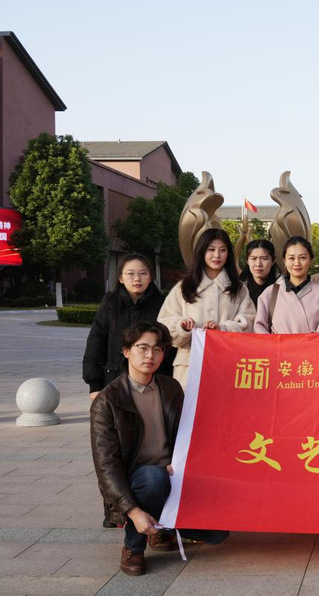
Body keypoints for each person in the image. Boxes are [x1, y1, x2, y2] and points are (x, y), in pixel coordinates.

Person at [90, 321, 228, 576]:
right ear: (126, 351)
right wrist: (133, 511)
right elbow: (106, 466)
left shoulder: (170, 388)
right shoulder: (107, 402)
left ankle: (162, 526)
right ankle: (134, 547)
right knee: (153, 477)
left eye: (157, 349)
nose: (150, 355)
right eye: (142, 348)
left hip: (173, 472)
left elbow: (190, 434)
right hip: (136, 478)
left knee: (218, 534)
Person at [158, 228, 255, 387]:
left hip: (227, 365)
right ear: (202, 251)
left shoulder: (238, 289)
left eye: (222, 250)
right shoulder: (184, 287)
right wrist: (182, 326)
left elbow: (249, 323)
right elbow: (164, 321)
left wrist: (223, 328)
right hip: (189, 366)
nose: (217, 255)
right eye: (211, 249)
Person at [83, 254, 171, 400]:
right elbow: (96, 342)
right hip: (114, 380)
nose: (137, 279)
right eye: (130, 274)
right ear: (121, 278)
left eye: (143, 273)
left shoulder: (163, 305)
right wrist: (95, 385)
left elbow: (169, 347)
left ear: (150, 277)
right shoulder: (110, 303)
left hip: (153, 381)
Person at [255, 236, 319, 334]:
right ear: (284, 261)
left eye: (302, 258)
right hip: (277, 344)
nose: (297, 263)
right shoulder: (270, 292)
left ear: (311, 260)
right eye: (291, 258)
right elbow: (259, 326)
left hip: (315, 344)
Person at [239, 239, 279, 304]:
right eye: (253, 258)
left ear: (273, 261)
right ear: (247, 261)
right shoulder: (239, 288)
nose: (258, 264)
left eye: (264, 258)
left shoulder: (282, 286)